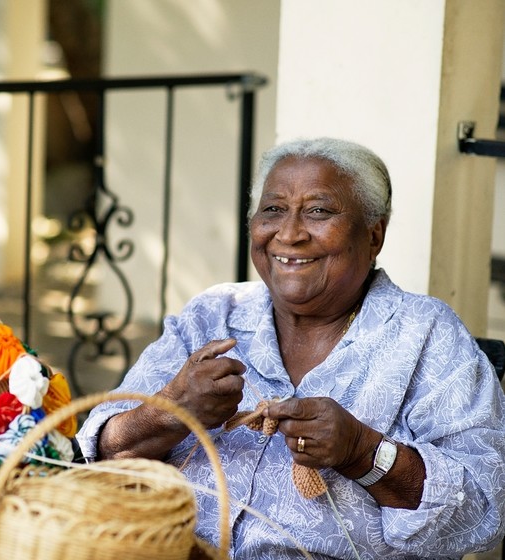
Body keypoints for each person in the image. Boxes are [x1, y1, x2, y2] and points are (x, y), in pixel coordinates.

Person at [76, 137, 505, 559]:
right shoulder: (212, 314)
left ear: (374, 235)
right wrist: (170, 410)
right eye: (273, 210)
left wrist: (363, 452)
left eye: (318, 211)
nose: (289, 233)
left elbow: (484, 511)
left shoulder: (425, 334)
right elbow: (97, 452)